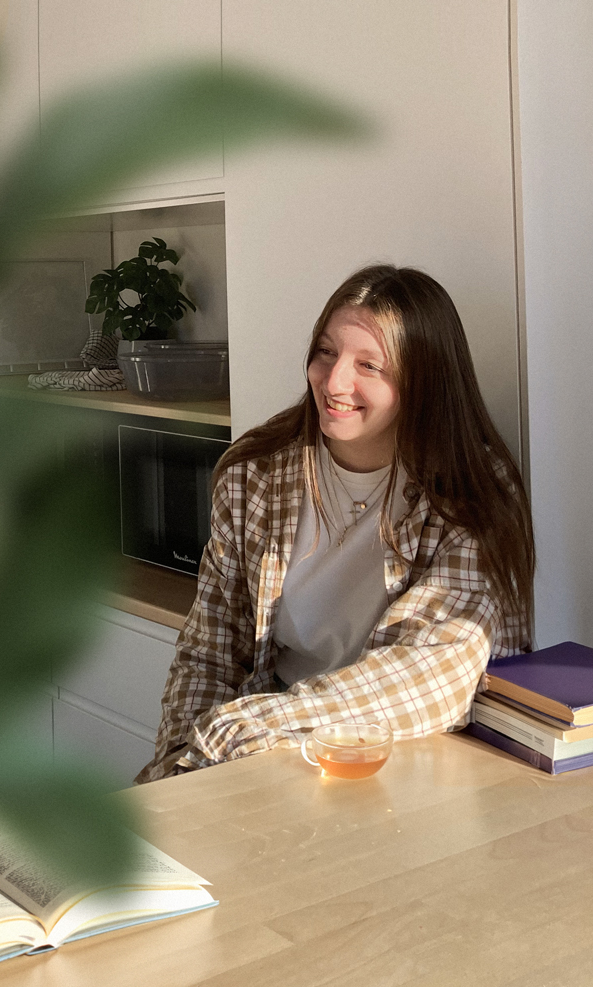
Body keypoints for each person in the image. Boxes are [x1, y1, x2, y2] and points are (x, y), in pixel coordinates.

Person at [135, 264, 534, 783]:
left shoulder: (470, 489)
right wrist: (180, 768)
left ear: (425, 379)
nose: (334, 379)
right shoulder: (255, 474)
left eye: (370, 365)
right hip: (261, 759)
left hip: (401, 762)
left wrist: (244, 728)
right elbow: (209, 651)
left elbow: (438, 670)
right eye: (326, 351)